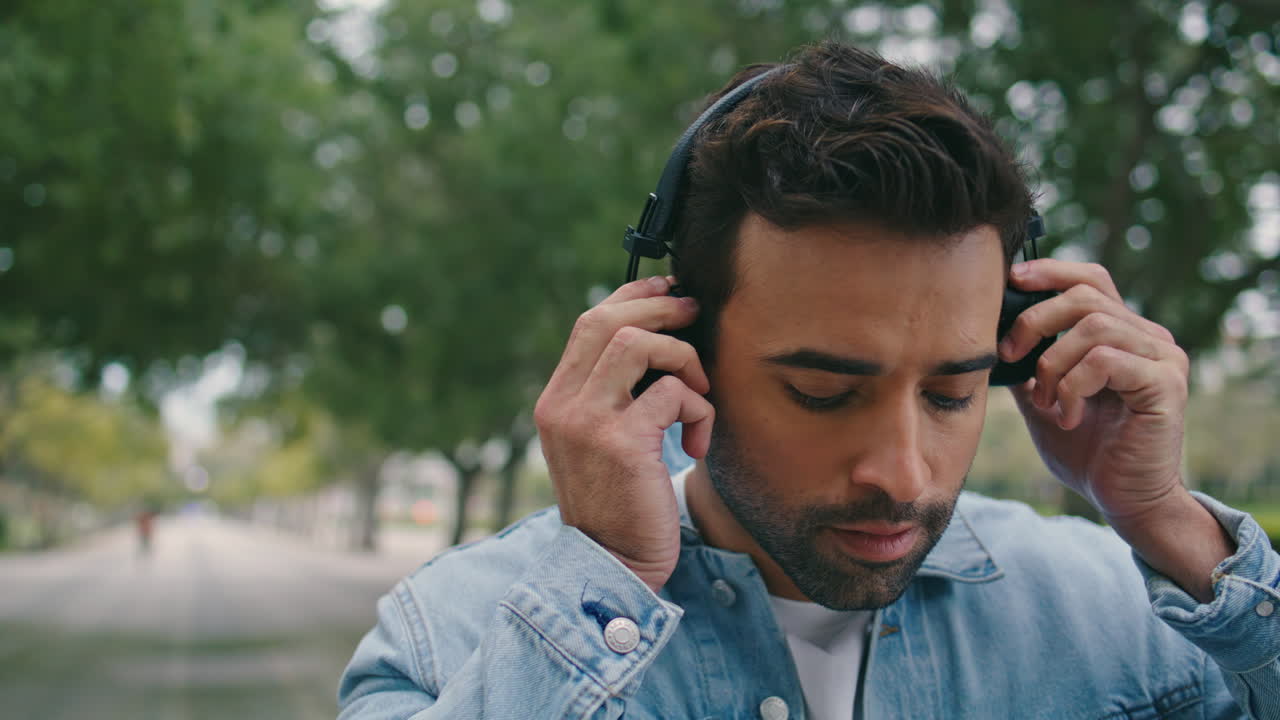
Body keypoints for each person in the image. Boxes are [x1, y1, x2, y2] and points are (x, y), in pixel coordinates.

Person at [337, 41, 1280, 719]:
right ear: (681, 355)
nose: (906, 476)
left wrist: (1166, 519)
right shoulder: (450, 641)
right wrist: (609, 577)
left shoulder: (1121, 611)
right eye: (824, 393)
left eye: (951, 393)